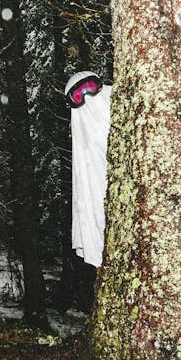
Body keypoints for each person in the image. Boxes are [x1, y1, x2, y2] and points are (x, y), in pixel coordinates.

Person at [66, 71, 111, 267]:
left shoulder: (116, 102)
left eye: (89, 88)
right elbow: (88, 185)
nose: (86, 97)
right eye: (78, 95)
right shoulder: (84, 137)